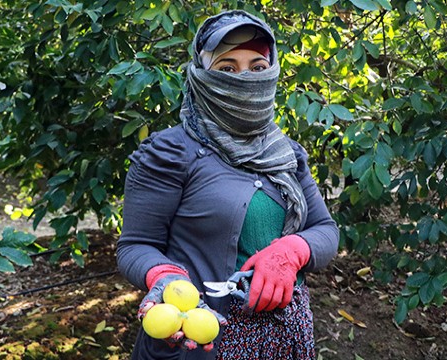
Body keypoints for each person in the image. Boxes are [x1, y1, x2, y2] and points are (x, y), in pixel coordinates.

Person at [117, 9, 339, 360]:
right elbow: (135, 245)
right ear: (202, 75)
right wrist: (166, 276)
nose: (245, 78)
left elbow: (324, 229)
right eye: (227, 68)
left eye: (257, 67)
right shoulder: (169, 152)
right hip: (198, 339)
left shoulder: (285, 152)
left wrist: (291, 251)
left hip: (284, 337)